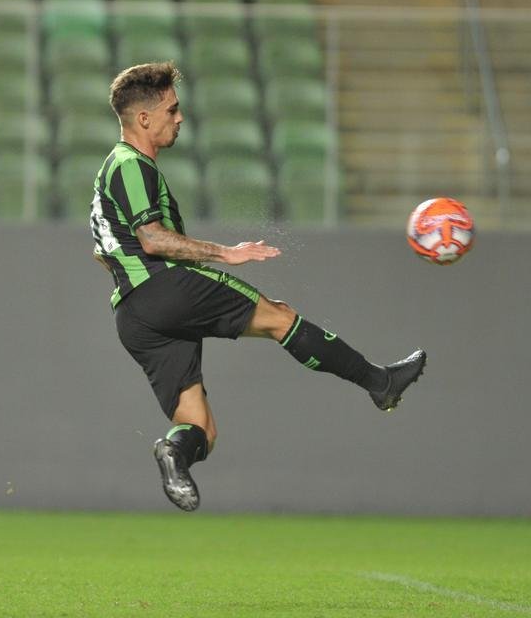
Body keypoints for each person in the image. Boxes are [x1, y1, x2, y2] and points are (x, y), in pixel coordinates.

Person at [90, 62, 426, 512]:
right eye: (172, 109)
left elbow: (104, 249)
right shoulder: (132, 165)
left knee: (201, 429)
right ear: (144, 118)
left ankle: (172, 453)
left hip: (133, 316)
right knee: (279, 317)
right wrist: (224, 252)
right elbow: (151, 238)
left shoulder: (110, 171)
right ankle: (379, 382)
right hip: (164, 288)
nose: (180, 117)